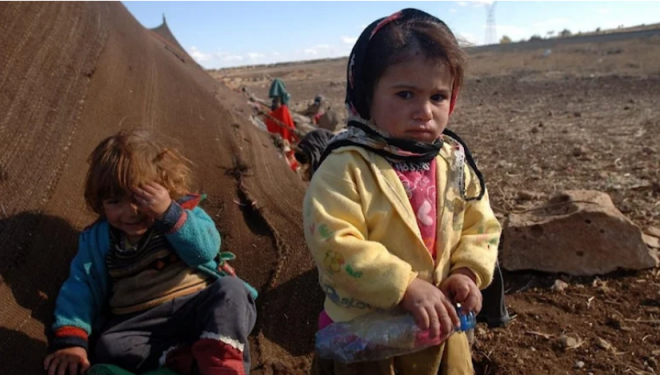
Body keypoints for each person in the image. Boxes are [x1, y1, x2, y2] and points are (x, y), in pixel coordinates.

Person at [302, 9, 500, 374]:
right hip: (368, 341)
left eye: (438, 96)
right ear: (365, 93)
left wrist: (467, 273)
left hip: (440, 327)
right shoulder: (345, 167)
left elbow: (480, 222)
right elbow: (334, 244)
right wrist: (404, 286)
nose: (424, 111)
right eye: (405, 94)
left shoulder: (452, 161)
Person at [44, 130, 258, 375]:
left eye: (142, 197)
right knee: (107, 344)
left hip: (197, 310)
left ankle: (221, 366)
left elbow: (205, 251)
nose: (130, 211)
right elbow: (80, 288)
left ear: (166, 190)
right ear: (100, 201)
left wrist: (168, 214)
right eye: (115, 202)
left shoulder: (182, 214)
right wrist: (72, 343)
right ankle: (182, 361)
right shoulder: (99, 239)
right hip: (140, 325)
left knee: (231, 292)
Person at [265, 78, 296, 143]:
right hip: (282, 119)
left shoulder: (280, 102)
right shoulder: (281, 104)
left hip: (282, 118)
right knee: (284, 133)